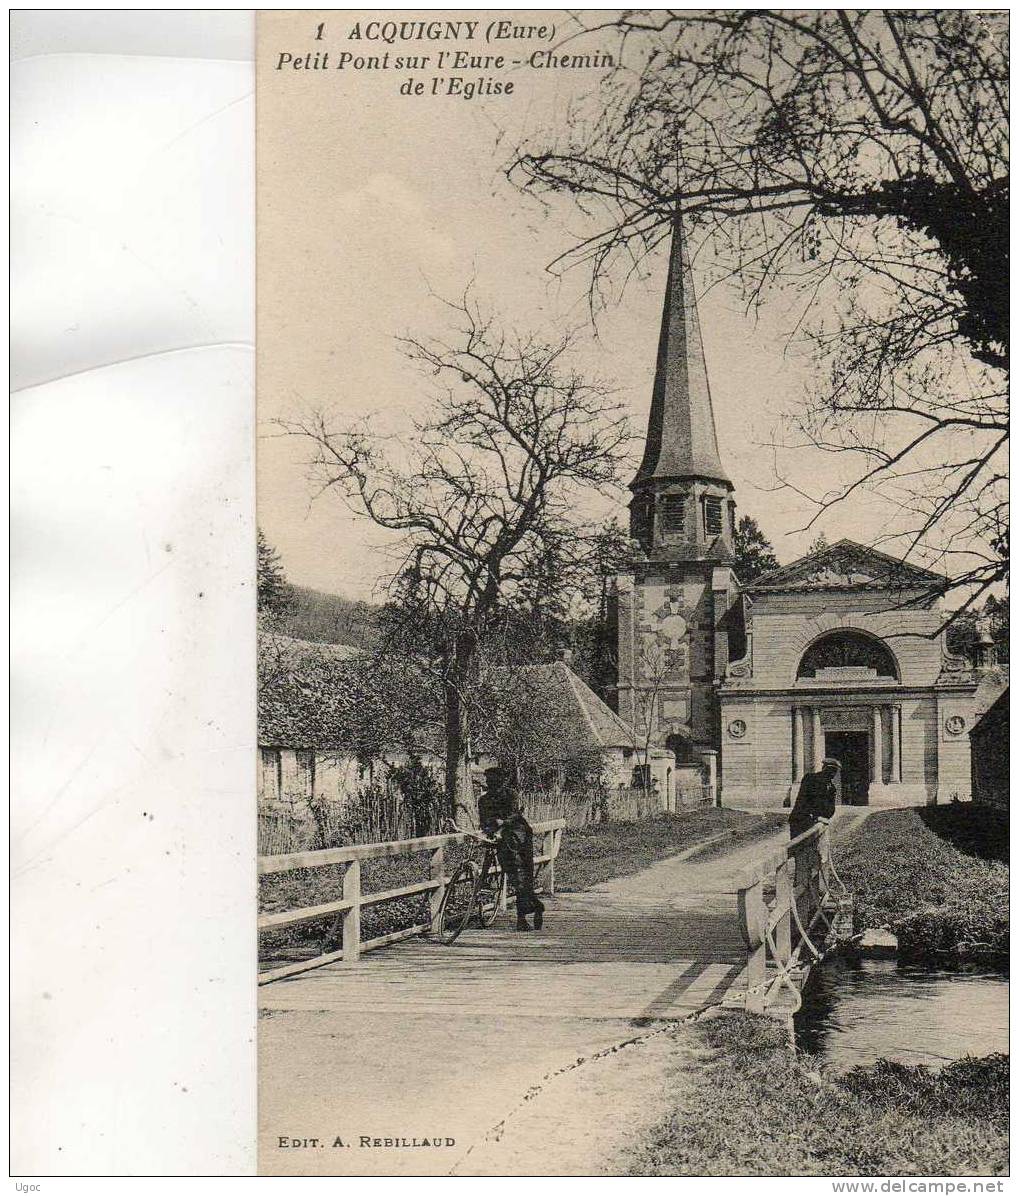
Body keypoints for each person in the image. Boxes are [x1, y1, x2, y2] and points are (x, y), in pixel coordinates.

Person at [477, 766, 545, 931]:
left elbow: (515, 815)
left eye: (494, 780)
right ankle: (535, 906)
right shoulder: (484, 800)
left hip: (518, 839)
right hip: (500, 840)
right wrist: (488, 829)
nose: (491, 783)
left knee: (521, 876)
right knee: (514, 877)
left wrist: (503, 823)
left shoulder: (510, 795)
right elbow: (484, 820)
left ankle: (522, 917)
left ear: (502, 780)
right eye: (488, 780)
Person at [789, 757, 840, 839]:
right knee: (797, 847)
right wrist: (815, 816)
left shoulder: (831, 788)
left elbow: (831, 808)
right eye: (830, 771)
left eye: (834, 772)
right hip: (801, 820)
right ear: (824, 769)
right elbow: (804, 801)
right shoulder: (810, 779)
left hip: (817, 822)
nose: (832, 774)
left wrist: (823, 817)